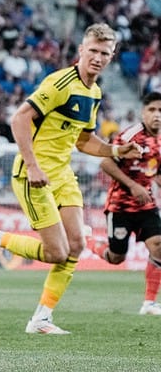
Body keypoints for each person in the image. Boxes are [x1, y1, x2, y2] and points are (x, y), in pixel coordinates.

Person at [0, 23, 142, 334]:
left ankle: (41, 319)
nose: (98, 58)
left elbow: (84, 140)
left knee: (76, 245)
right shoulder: (61, 82)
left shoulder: (94, 91)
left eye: (105, 53)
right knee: (56, 253)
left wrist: (116, 150)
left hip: (62, 174)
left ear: (112, 57)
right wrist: (33, 166)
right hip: (33, 174)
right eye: (93, 51)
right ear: (81, 50)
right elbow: (19, 117)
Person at [89, 91, 161, 315]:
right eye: (152, 110)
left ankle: (148, 303)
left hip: (146, 206)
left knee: (159, 245)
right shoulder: (131, 135)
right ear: (143, 112)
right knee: (116, 258)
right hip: (120, 207)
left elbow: (155, 171)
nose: (157, 115)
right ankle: (89, 241)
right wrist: (133, 186)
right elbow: (106, 163)